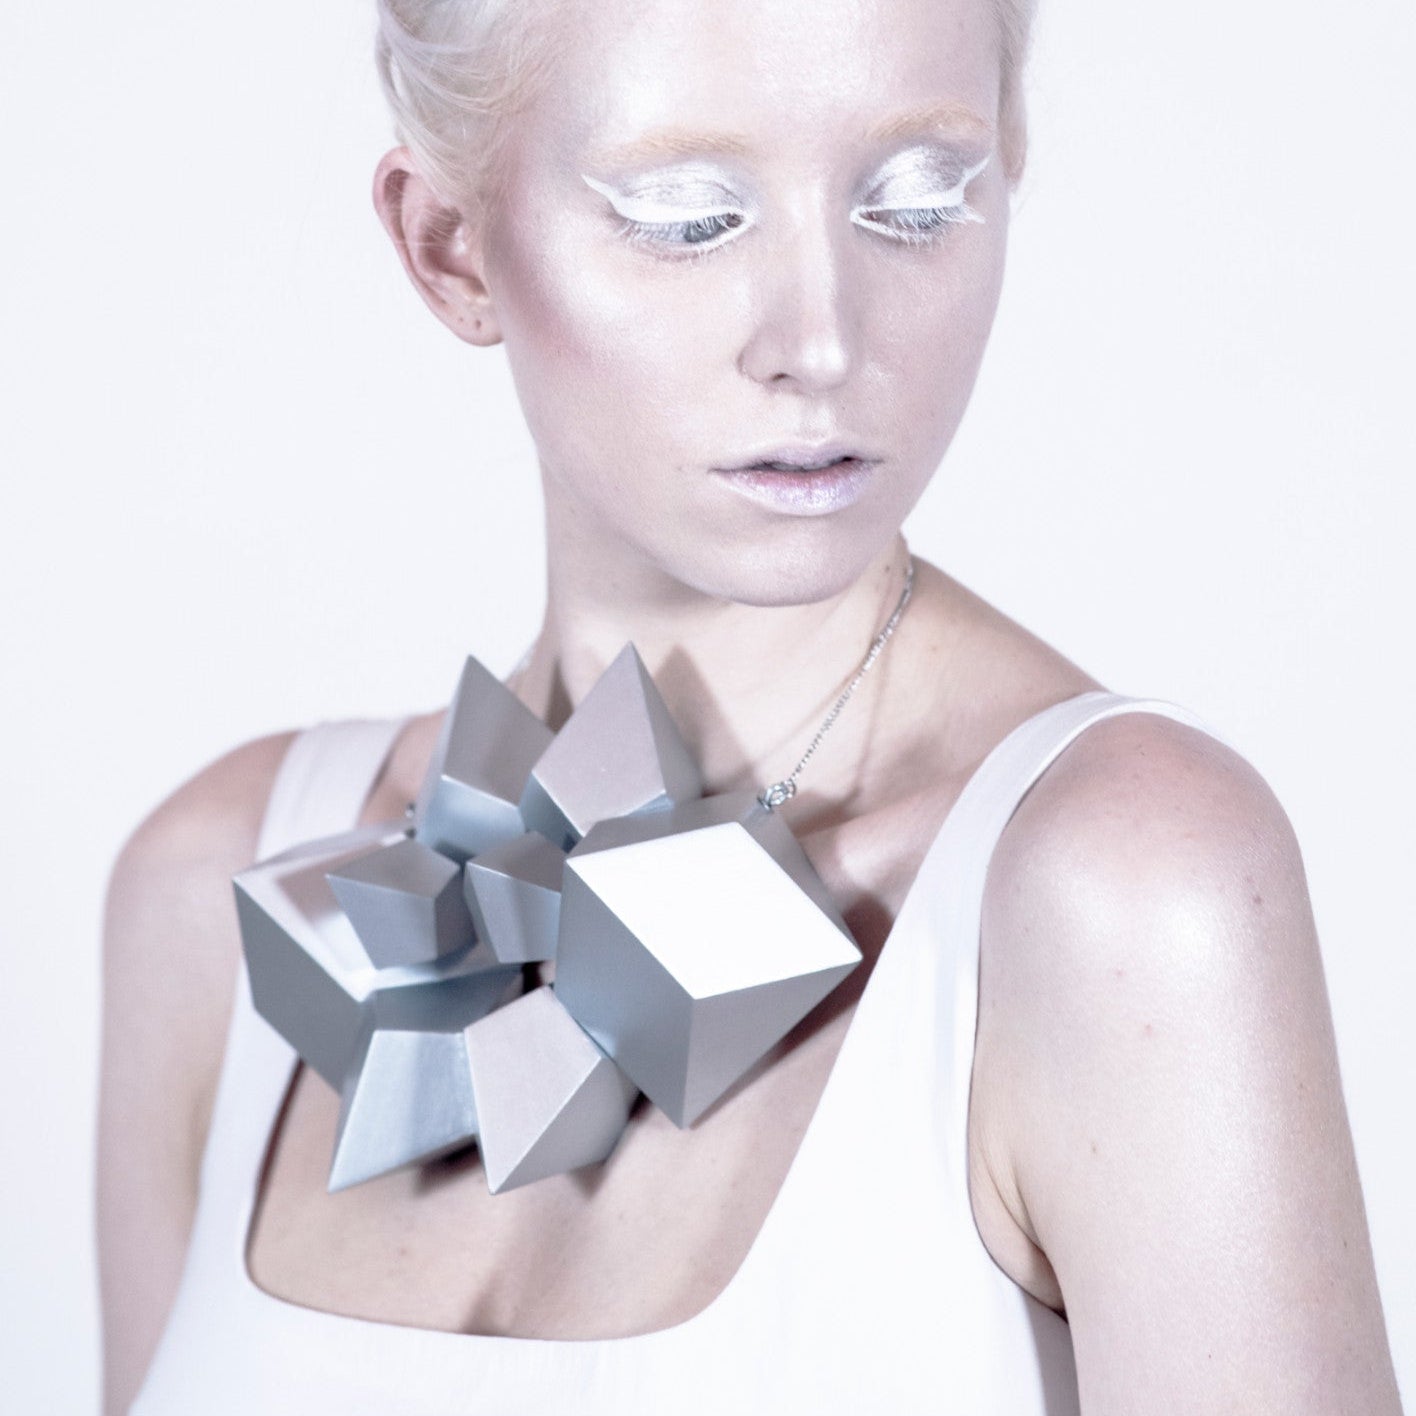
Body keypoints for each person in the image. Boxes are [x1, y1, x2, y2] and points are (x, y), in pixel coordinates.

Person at [96, 0, 1403, 1411]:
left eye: (918, 202)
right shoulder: (223, 895)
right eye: (689, 217)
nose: (821, 342)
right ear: (449, 244)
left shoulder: (1122, 890)